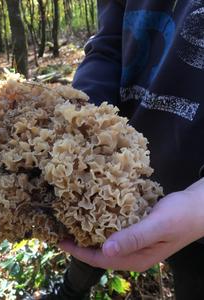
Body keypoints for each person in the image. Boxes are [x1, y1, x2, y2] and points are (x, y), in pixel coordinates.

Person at [38, 0, 204, 299]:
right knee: (88, 239)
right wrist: (82, 113)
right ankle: (69, 292)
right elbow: (109, 44)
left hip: (198, 202)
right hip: (114, 167)